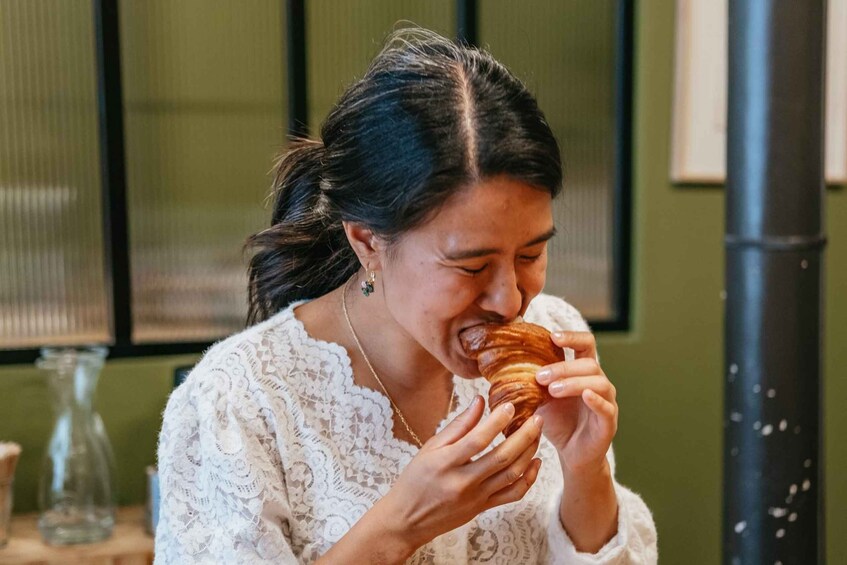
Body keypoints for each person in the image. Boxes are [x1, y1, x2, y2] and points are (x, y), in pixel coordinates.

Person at [154, 27, 657, 564]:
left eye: (531, 255)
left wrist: (585, 469)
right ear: (367, 241)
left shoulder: (551, 342)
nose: (511, 300)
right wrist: (400, 525)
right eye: (472, 265)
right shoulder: (238, 402)